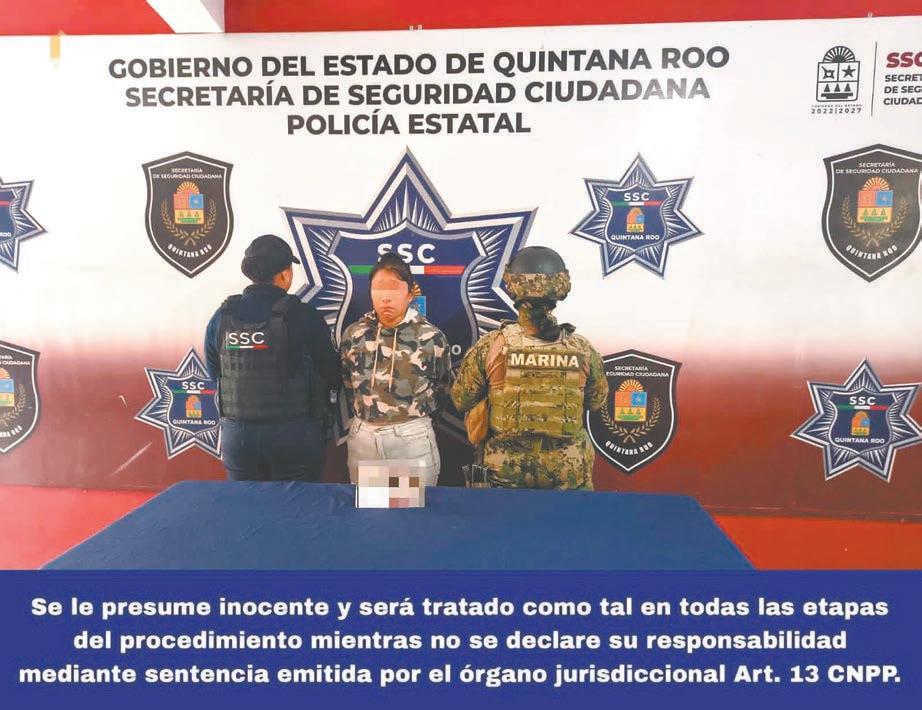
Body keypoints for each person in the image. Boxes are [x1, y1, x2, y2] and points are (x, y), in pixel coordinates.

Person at [451, 246, 608, 490]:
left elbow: (461, 399)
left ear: (512, 286)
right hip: (568, 475)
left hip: (504, 474)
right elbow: (596, 401)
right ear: (560, 287)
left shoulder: (492, 346)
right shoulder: (581, 348)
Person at [204, 234, 341, 482]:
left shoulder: (223, 316)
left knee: (247, 505)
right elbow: (331, 373)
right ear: (285, 274)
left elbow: (216, 373)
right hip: (293, 435)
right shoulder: (303, 315)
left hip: (238, 437)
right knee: (296, 504)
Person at [340, 253, 452, 486]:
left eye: (394, 289)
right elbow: (348, 383)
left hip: (410, 440)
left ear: (410, 293)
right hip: (364, 440)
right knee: (370, 508)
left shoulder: (431, 337)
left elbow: (442, 388)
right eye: (378, 289)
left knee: (409, 509)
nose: (386, 298)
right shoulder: (354, 335)